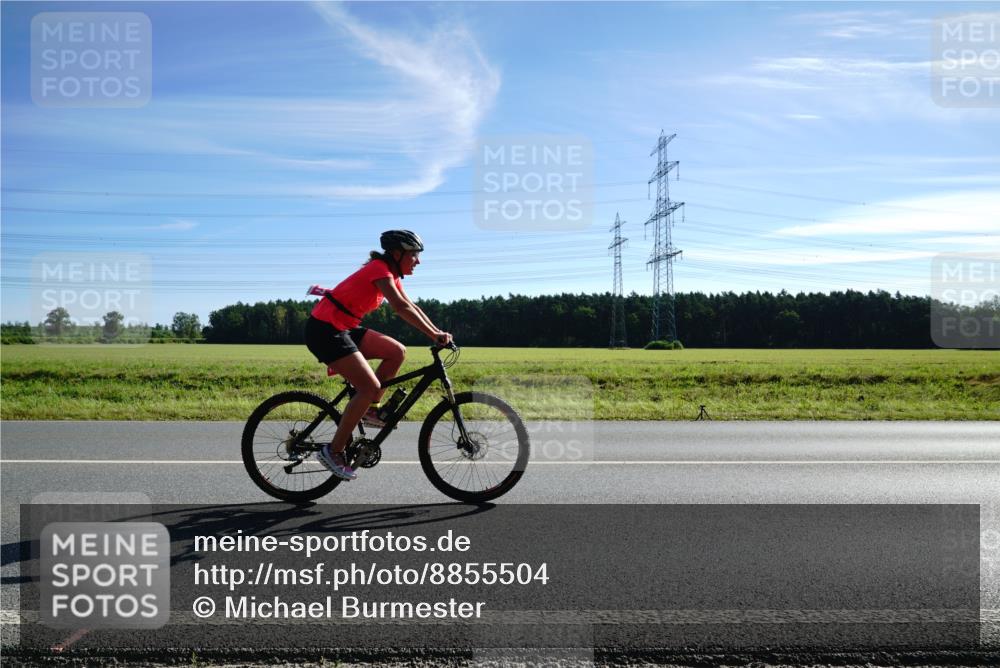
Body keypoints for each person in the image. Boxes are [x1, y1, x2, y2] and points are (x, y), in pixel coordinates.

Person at [304, 230, 452, 481]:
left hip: (343, 327)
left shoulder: (390, 274)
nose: (418, 261)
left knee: (396, 352)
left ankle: (371, 409)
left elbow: (411, 306)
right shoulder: (379, 269)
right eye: (414, 255)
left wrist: (437, 332)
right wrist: (433, 335)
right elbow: (400, 307)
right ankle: (333, 451)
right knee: (369, 387)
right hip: (325, 330)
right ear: (397, 254)